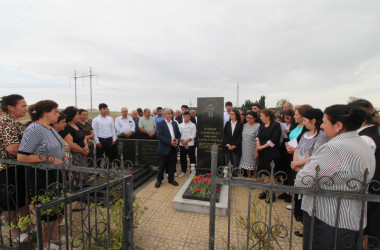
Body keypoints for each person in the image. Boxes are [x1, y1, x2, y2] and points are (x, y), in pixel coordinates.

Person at [296, 105, 375, 250]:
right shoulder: (362, 143)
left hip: (327, 218)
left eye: (325, 122)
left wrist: (301, 173)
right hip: (352, 217)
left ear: (338, 125)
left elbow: (304, 180)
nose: (321, 125)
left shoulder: (333, 147)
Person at [17, 100, 65, 248]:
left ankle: (52, 236)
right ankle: (43, 243)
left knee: (56, 208)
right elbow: (22, 156)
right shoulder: (35, 129)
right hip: (41, 175)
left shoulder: (49, 128)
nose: (58, 114)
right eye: (55, 111)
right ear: (45, 112)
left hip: (54, 173)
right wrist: (49, 159)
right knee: (46, 211)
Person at [289, 108, 330, 236]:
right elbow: (297, 148)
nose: (304, 122)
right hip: (299, 170)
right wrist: (295, 163)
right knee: (299, 200)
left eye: (306, 120)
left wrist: (297, 165)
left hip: (309, 171)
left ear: (313, 120)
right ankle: (304, 225)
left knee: (308, 201)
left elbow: (315, 155)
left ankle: (308, 228)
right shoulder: (306, 133)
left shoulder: (322, 135)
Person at [348, 99, 380, 247]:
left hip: (370, 191)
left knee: (367, 232)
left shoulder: (365, 138)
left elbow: (357, 168)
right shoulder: (371, 132)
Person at [0, 94, 30, 243]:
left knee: (22, 198)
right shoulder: (6, 122)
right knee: (10, 201)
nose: (26, 109)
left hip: (19, 166)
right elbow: (12, 148)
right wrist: (32, 151)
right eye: (22, 106)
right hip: (8, 168)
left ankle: (26, 225)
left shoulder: (14, 121)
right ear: (10, 107)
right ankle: (14, 232)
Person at [60, 106, 89, 210]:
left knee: (84, 177)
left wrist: (86, 147)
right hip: (75, 156)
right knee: (77, 178)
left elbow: (83, 137)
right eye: (76, 114)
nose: (78, 116)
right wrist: (82, 150)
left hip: (83, 155)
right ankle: (78, 201)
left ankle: (82, 200)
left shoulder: (76, 125)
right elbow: (70, 144)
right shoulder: (67, 127)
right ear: (71, 115)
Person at [256, 109, 281, 202]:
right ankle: (266, 191)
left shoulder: (275, 125)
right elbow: (258, 136)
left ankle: (272, 193)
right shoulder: (262, 125)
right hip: (263, 152)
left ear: (268, 117)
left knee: (271, 173)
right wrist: (258, 145)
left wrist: (263, 146)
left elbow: (275, 138)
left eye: (262, 116)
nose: (261, 117)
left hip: (271, 152)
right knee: (265, 172)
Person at [155, 108, 181, 188]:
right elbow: (159, 135)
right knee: (162, 166)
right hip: (164, 148)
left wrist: (177, 140)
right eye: (169, 113)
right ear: (164, 115)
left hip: (173, 148)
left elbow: (179, 134)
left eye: (171, 113)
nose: (171, 115)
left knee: (172, 165)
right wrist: (170, 142)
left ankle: (171, 179)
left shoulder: (174, 123)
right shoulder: (160, 123)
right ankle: (159, 180)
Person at [240, 112, 260, 178]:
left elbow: (258, 138)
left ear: (255, 118)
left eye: (250, 118)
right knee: (247, 165)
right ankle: (249, 178)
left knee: (254, 165)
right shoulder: (245, 125)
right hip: (245, 147)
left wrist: (256, 150)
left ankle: (255, 178)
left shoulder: (258, 126)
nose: (248, 119)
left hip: (253, 147)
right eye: (247, 118)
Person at [178, 111, 196, 178]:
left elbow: (193, 135)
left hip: (190, 144)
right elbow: (179, 135)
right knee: (183, 158)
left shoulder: (193, 125)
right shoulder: (180, 125)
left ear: (189, 117)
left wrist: (186, 142)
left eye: (187, 116)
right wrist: (184, 143)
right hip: (182, 144)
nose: (186, 118)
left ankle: (193, 171)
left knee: (192, 158)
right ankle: (183, 171)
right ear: (183, 117)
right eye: (185, 116)